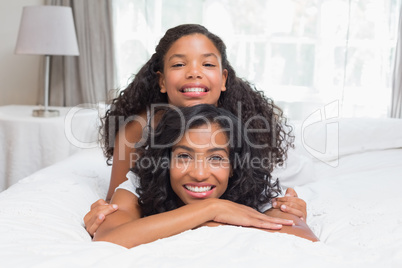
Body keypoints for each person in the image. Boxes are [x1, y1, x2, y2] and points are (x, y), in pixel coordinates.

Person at [84, 24, 307, 235]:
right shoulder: (139, 128)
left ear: (223, 79)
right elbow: (122, 201)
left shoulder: (248, 125)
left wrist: (288, 207)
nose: (194, 73)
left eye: (207, 64)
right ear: (161, 81)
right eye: (179, 64)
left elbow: (260, 194)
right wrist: (105, 213)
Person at [93, 104, 318, 248]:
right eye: (183, 156)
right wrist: (212, 209)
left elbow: (304, 240)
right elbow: (107, 239)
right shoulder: (139, 181)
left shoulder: (252, 185)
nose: (199, 174)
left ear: (234, 166)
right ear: (166, 161)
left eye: (216, 158)